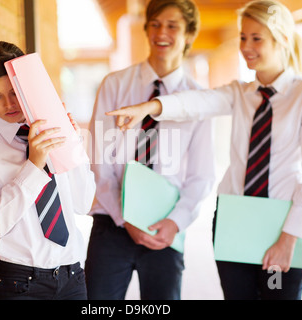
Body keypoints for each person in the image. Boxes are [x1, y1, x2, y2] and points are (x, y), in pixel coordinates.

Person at [107, 0, 302, 300]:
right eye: (243, 37)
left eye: (256, 38)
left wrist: (289, 238)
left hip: (280, 225)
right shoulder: (239, 93)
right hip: (233, 222)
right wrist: (149, 107)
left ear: (282, 40)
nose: (246, 46)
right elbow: (194, 102)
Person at [85, 0, 215, 300]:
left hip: (165, 227)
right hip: (112, 222)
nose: (162, 32)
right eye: (155, 24)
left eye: (172, 26)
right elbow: (99, 160)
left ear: (189, 34)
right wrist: (125, 216)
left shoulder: (198, 100)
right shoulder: (115, 85)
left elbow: (202, 175)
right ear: (146, 29)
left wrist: (175, 223)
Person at [0, 41, 96, 300]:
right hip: (17, 283)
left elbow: (83, 202)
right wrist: (34, 164)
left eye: (14, 93)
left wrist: (71, 142)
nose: (9, 104)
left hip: (72, 277)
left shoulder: (51, 128)